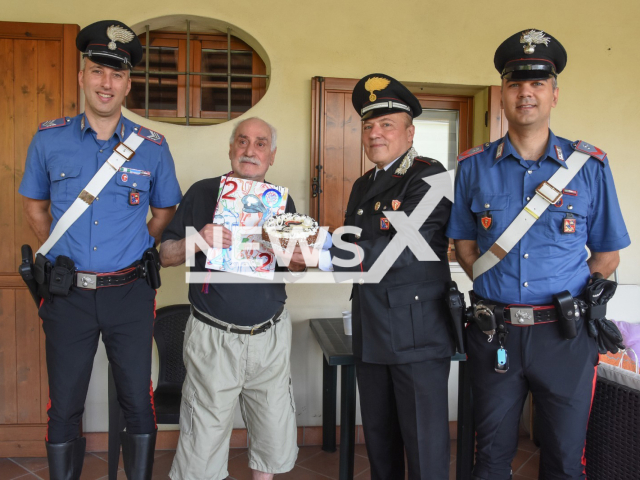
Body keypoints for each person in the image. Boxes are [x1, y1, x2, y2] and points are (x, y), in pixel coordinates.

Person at [447, 29, 630, 480]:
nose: (525, 93)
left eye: (537, 84)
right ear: (503, 95)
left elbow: (607, 255)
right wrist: (500, 287)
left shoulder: (589, 168)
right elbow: (466, 249)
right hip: (496, 336)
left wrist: (567, 295)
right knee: (488, 458)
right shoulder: (473, 167)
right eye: (515, 84)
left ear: (554, 94)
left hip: (564, 338)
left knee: (566, 460)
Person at [18, 19, 182, 480]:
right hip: (68, 295)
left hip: (129, 294)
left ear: (128, 83)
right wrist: (62, 245)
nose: (105, 83)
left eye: (116, 74)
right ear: (81, 76)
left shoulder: (151, 148)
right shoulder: (49, 138)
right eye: (97, 71)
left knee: (137, 397)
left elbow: (164, 211)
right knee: (65, 401)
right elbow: (34, 206)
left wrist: (134, 244)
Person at [295, 74, 455, 479]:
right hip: (372, 329)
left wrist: (321, 254)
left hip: (417, 335)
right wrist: (317, 241)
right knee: (380, 445)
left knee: (424, 449)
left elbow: (398, 249)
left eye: (386, 124)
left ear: (410, 131)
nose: (375, 133)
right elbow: (353, 240)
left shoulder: (431, 177)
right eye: (368, 126)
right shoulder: (364, 184)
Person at [160, 117, 300, 480]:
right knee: (202, 440)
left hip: (269, 337)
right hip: (213, 338)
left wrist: (288, 248)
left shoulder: (282, 202)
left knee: (272, 431)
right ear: (230, 149)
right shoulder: (202, 192)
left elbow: (299, 268)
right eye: (242, 141)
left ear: (271, 155)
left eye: (259, 143)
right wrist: (198, 239)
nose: (249, 151)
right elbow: (165, 254)